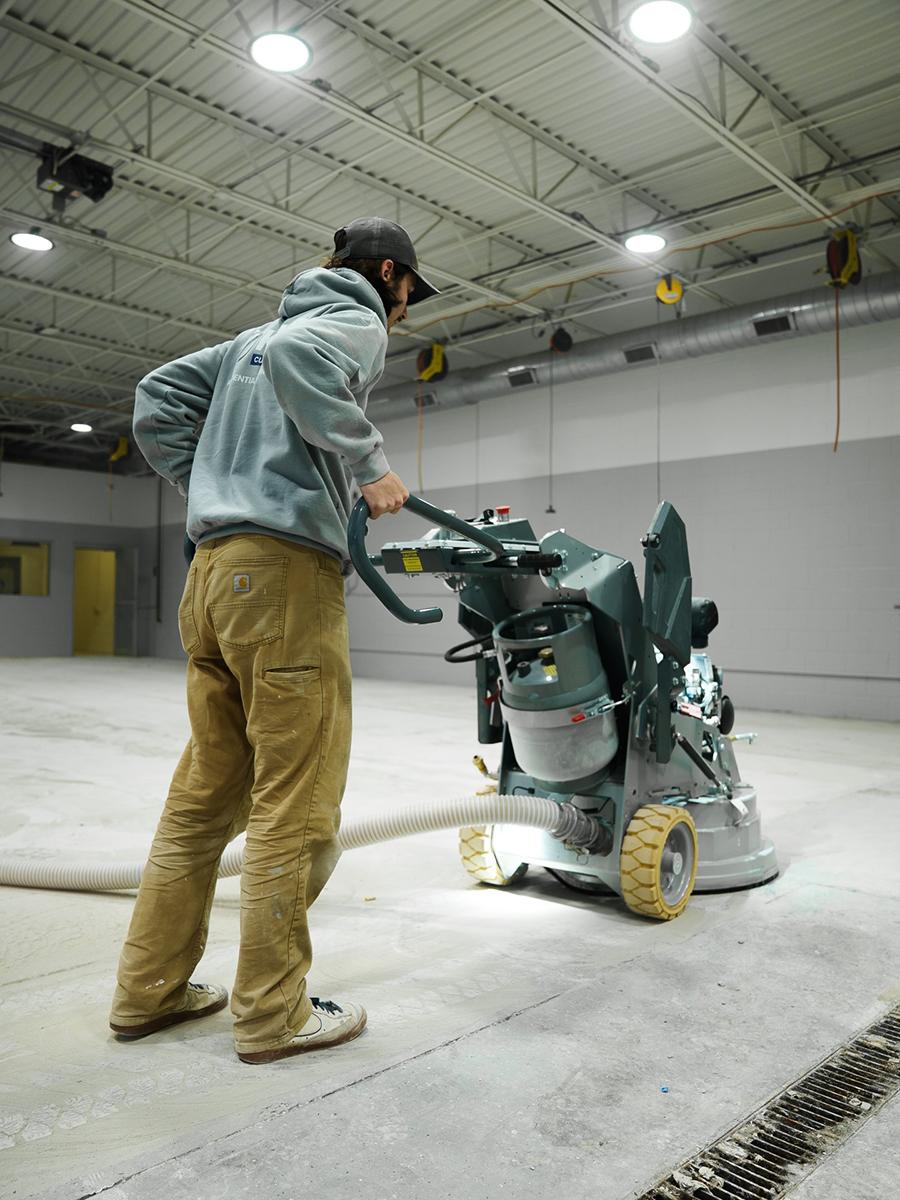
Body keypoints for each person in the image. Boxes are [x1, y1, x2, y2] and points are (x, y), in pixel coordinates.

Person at [109, 218, 439, 1064]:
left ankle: (146, 994)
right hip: (285, 580)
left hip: (212, 574)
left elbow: (155, 399)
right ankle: (272, 1014)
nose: (404, 310)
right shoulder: (355, 319)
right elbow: (306, 371)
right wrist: (370, 466)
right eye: (408, 292)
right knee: (296, 806)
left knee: (201, 803)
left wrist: (218, 482)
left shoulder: (253, 336)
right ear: (390, 274)